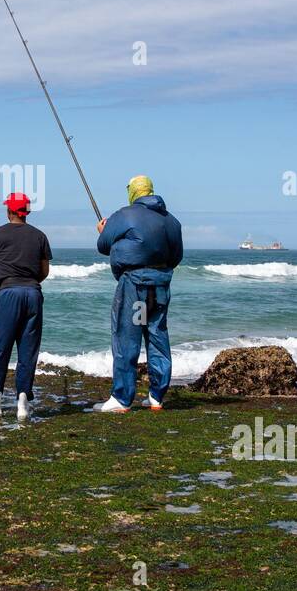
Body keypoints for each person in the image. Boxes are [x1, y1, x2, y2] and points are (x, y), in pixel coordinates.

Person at [93, 175, 183, 413]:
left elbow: (103, 245)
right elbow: (176, 257)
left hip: (135, 285)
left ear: (133, 192)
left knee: (127, 337)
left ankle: (122, 398)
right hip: (160, 287)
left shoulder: (124, 215)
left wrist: (103, 230)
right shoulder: (172, 221)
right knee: (157, 336)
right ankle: (156, 396)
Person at [0, 192, 51, 420]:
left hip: (8, 294)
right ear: (26, 212)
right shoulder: (40, 236)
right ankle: (23, 403)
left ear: (9, 210)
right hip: (33, 294)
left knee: (1, 349)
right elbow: (44, 271)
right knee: (28, 351)